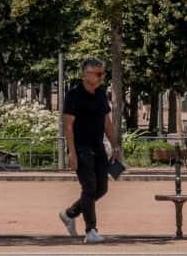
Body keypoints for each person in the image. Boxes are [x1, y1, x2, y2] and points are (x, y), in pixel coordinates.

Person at [58, 57, 122, 245]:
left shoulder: (101, 95)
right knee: (89, 187)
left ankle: (69, 214)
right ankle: (91, 230)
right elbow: (68, 126)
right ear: (85, 75)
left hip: (99, 149)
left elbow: (107, 123)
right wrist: (72, 153)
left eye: (103, 73)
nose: (102, 76)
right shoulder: (73, 96)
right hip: (81, 148)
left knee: (101, 189)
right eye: (98, 73)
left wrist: (115, 146)